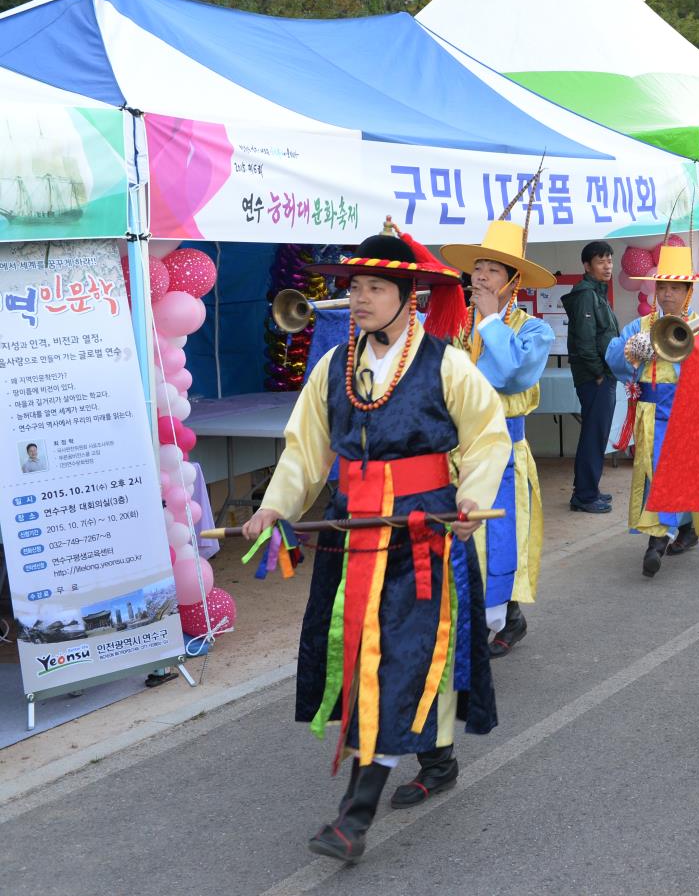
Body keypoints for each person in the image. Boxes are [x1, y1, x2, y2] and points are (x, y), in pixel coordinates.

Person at [241, 231, 510, 863]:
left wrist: (470, 499)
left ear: (407, 297)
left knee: (398, 660)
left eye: (374, 287)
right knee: (369, 653)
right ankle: (437, 757)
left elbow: (488, 437)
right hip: (349, 535)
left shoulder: (447, 364)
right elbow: (305, 449)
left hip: (422, 535)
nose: (357, 298)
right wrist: (274, 506)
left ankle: (352, 819)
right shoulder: (334, 368)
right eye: (353, 286)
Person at [438, 219, 555, 663]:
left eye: (492, 270)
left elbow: (510, 375)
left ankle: (507, 613)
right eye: (478, 268)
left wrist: (489, 321)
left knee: (500, 538)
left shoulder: (533, 331)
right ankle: (466, 622)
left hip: (505, 449)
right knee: (460, 538)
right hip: (456, 449)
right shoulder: (453, 324)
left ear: (513, 282)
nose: (481, 277)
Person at [606, 245, 699, 577]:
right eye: (663, 287)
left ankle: (658, 538)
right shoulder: (640, 325)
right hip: (649, 410)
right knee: (655, 470)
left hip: (686, 412)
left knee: (670, 472)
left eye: (675, 288)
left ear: (688, 292)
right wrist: (632, 350)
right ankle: (682, 527)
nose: (667, 295)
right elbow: (613, 360)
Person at [564, 242, 619, 514]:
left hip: (603, 374)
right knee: (593, 435)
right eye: (601, 261)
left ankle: (590, 489)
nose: (607, 266)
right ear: (587, 266)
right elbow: (585, 342)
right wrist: (598, 373)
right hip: (595, 377)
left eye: (609, 260)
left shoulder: (597, 293)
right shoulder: (586, 295)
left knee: (597, 435)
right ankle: (584, 495)